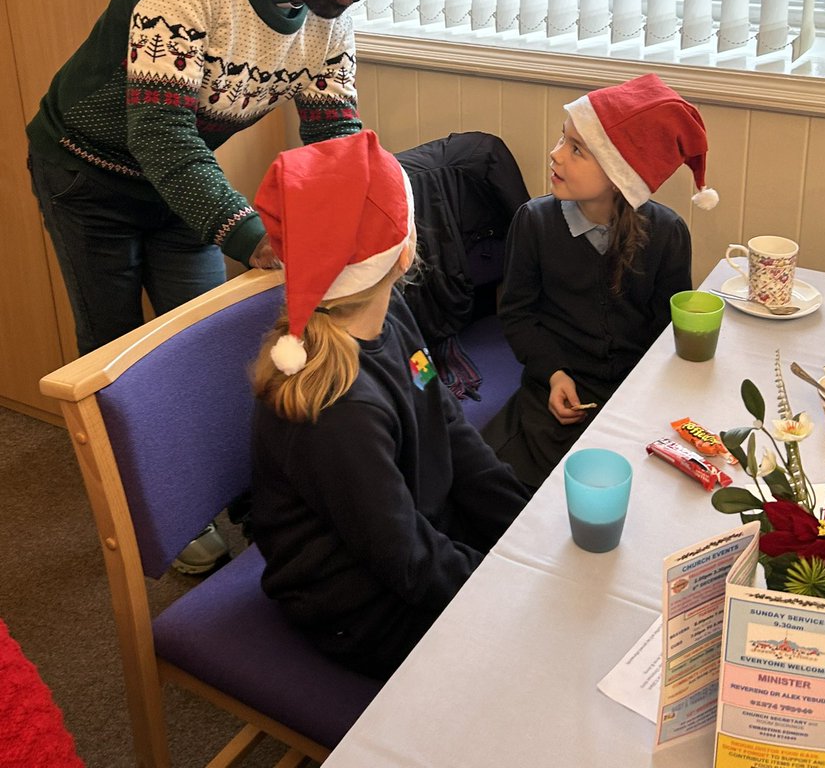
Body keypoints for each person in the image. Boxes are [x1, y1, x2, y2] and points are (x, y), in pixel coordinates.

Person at [26, 0, 411, 359]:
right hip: (88, 176)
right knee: (113, 357)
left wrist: (365, 218)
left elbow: (334, 139)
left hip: (180, 180)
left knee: (210, 345)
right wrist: (251, 235)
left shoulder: (330, 13)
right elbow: (160, 133)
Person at [251, 130, 531, 679]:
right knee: (533, 654)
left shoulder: (391, 313)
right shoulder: (337, 406)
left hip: (413, 534)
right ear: (404, 253)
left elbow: (446, 422)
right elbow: (406, 560)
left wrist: (524, 524)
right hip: (358, 604)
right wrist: (507, 588)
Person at [482, 73, 718, 490]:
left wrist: (644, 394)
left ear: (618, 174)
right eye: (562, 139)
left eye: (576, 149)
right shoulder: (534, 222)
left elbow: (665, 331)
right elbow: (518, 315)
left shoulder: (667, 233)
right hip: (555, 387)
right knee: (512, 487)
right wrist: (553, 374)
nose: (555, 154)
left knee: (651, 484)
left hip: (635, 392)